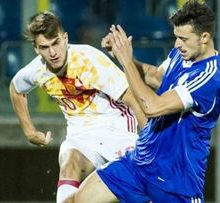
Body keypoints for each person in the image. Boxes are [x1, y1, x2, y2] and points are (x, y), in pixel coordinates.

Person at [64, 0, 220, 202]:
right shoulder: (181, 54)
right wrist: (124, 57)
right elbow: (155, 76)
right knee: (75, 200)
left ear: (204, 37)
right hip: (140, 164)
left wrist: (126, 62)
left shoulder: (210, 77)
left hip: (175, 181)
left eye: (183, 39)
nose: (177, 44)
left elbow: (152, 107)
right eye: (176, 37)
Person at [9, 11, 146, 203]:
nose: (53, 52)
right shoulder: (36, 70)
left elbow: (133, 99)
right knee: (69, 161)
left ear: (65, 38)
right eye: (45, 47)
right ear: (36, 48)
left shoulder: (90, 60)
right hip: (81, 136)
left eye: (56, 43)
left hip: (119, 132)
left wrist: (149, 145)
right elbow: (16, 89)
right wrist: (29, 131)